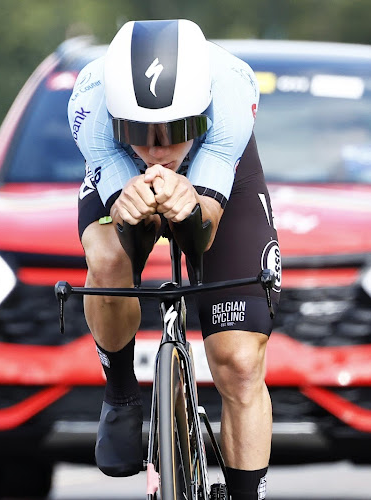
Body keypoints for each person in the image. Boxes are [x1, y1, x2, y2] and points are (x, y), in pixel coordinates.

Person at [67, 19, 280, 500]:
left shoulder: (230, 93)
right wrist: (126, 205)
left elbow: (202, 231)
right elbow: (128, 218)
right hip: (117, 170)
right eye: (140, 133)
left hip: (220, 169)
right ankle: (121, 391)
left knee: (240, 362)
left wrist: (190, 203)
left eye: (177, 130)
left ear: (201, 115)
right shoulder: (91, 105)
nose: (158, 151)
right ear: (118, 121)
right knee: (105, 254)